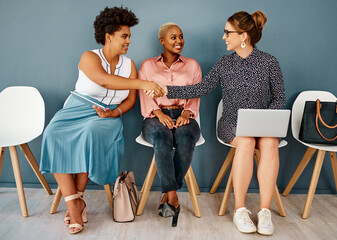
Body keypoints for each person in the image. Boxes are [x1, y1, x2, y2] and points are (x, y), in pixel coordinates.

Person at [39, 7, 165, 234]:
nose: (128, 41)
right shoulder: (89, 57)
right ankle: (74, 202)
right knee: (52, 133)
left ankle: (76, 203)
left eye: (129, 37)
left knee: (91, 132)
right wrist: (145, 83)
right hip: (76, 108)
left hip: (106, 116)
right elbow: (104, 81)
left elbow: (130, 101)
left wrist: (114, 113)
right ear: (109, 37)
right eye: (124, 36)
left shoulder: (130, 65)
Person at [164, 11, 286, 235]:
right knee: (247, 142)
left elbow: (279, 98)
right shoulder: (225, 63)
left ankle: (265, 211)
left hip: (264, 124)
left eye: (228, 32)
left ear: (244, 36)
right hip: (232, 124)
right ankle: (240, 210)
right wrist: (166, 90)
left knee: (270, 143)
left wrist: (267, 118)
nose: (224, 37)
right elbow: (199, 88)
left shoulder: (270, 62)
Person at [138, 22, 201, 227]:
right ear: (162, 41)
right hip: (154, 116)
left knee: (185, 138)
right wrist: (157, 113)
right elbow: (143, 94)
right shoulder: (148, 65)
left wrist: (186, 113)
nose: (179, 41)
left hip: (184, 115)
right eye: (173, 37)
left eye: (181, 36)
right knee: (162, 137)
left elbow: (195, 94)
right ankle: (173, 194)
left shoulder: (192, 65)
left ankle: (169, 193)